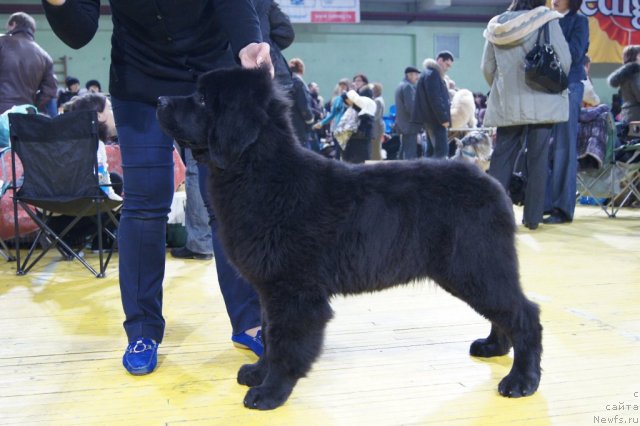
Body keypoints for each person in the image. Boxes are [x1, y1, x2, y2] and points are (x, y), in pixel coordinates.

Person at [42, 0, 273, 376]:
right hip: (140, 82)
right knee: (145, 204)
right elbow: (79, 32)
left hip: (210, 76)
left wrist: (248, 42)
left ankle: (251, 322)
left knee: (227, 204)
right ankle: (143, 330)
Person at [482, 0, 570, 230]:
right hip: (543, 102)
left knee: (502, 158)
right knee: (538, 159)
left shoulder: (496, 25)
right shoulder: (547, 20)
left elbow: (487, 68)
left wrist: (504, 90)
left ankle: (493, 217)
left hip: (508, 103)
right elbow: (565, 60)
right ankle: (532, 218)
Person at [543, 0, 589, 226]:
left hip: (570, 85)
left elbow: (576, 53)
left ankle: (562, 208)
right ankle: (544, 202)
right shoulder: (546, 20)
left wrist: (548, 48)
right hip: (545, 86)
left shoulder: (579, 21)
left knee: (564, 146)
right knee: (541, 146)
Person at [0, 12, 58, 114]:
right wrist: (31, 105)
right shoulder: (45, 56)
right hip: (26, 116)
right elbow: (50, 91)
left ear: (13, 24)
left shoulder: (2, 42)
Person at [412, 51, 455, 159]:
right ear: (440, 60)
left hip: (431, 119)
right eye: (447, 64)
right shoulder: (433, 74)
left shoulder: (428, 73)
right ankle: (440, 175)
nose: (447, 68)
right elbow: (435, 99)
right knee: (441, 153)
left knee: (431, 152)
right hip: (436, 120)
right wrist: (443, 119)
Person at [341, 89, 376, 164]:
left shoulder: (362, 107)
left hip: (358, 139)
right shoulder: (356, 108)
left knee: (358, 161)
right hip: (357, 138)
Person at [608, 45, 640, 123]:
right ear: (636, 56)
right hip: (637, 116)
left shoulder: (626, 75)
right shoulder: (635, 74)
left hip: (627, 114)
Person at [394, 66, 421, 160]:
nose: (417, 77)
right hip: (409, 125)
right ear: (409, 75)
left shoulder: (400, 85)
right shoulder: (407, 87)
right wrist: (420, 119)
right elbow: (411, 107)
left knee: (403, 151)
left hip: (402, 124)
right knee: (410, 154)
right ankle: (411, 173)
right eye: (416, 75)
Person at [288, 57, 314, 148]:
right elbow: (304, 107)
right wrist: (310, 122)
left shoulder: (286, 82)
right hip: (300, 128)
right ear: (302, 69)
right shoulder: (299, 83)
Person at [371, 82, 385, 161]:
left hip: (376, 128)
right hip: (378, 126)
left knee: (376, 148)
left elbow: (376, 116)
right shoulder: (379, 99)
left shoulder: (377, 101)